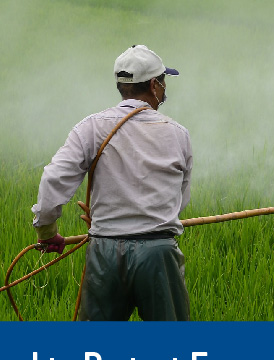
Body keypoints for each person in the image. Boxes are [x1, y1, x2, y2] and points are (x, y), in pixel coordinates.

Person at [31, 45, 192, 321]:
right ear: (154, 85)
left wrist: (47, 232)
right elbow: (178, 202)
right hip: (158, 254)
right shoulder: (178, 134)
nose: (165, 89)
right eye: (163, 82)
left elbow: (54, 178)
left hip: (104, 253)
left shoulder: (91, 127)